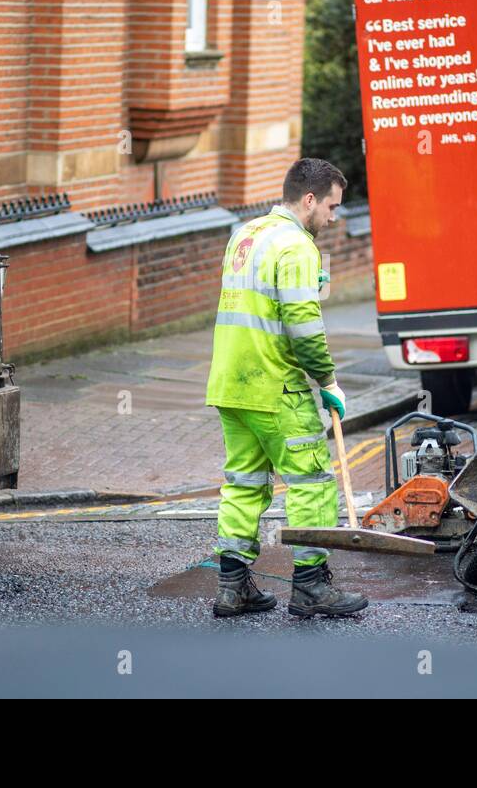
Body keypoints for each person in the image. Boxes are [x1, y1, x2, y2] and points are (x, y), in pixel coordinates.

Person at [205, 157, 368, 617]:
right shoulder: (296, 246)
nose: (333, 219)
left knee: (243, 484)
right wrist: (329, 382)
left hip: (231, 385)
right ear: (310, 199)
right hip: (276, 388)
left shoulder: (247, 233)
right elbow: (302, 324)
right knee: (312, 484)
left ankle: (232, 587)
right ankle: (311, 588)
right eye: (332, 208)